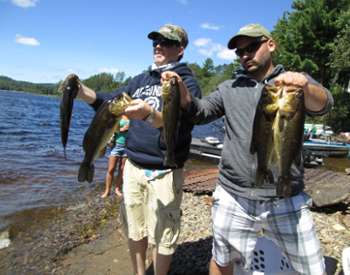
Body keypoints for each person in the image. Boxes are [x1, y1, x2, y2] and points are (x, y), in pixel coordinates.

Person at [130, 23, 334, 275]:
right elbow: (200, 113)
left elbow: (323, 104)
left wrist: (304, 86)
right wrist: (183, 95)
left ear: (270, 44)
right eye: (239, 52)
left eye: (251, 47)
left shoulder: (295, 83)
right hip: (233, 195)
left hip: (286, 196)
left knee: (312, 269)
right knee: (222, 261)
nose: (245, 55)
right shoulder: (229, 87)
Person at [60, 24, 201, 275]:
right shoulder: (140, 79)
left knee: (164, 234)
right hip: (133, 167)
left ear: (180, 50)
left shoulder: (185, 82)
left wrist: (148, 115)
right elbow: (107, 103)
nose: (158, 45)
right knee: (135, 228)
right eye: (155, 41)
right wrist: (80, 91)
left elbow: (181, 123)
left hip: (165, 171)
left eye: (166, 42)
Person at [101, 114, 129, 198]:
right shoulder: (118, 116)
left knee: (122, 169)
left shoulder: (133, 116)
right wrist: (123, 129)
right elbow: (111, 129)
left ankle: (117, 189)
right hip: (116, 145)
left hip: (128, 146)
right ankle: (107, 191)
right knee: (111, 169)